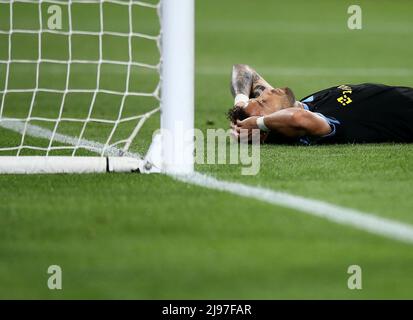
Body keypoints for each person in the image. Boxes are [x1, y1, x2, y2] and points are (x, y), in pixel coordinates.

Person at [228, 64, 413, 144]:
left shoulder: (303, 105)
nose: (266, 92)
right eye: (261, 102)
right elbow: (297, 118)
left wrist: (241, 100)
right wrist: (257, 124)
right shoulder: (314, 125)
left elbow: (244, 70)